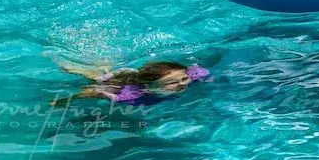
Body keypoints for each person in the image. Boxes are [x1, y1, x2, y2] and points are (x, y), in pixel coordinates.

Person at [53, 60, 212, 107]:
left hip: (137, 77)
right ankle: (72, 67)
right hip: (119, 81)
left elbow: (199, 69)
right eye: (171, 83)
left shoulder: (192, 76)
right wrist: (63, 101)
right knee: (95, 78)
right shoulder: (128, 95)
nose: (182, 84)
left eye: (183, 78)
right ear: (149, 87)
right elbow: (92, 93)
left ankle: (104, 64)